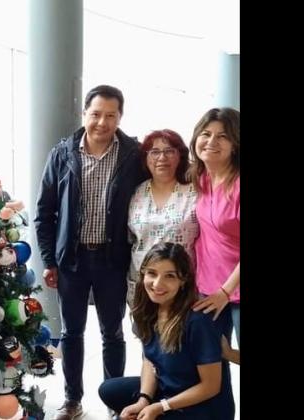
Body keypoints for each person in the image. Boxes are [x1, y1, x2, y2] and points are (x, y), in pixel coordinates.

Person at [35, 85, 145, 420]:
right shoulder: (63, 153)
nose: (102, 122)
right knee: (72, 332)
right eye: (96, 114)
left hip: (113, 259)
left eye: (111, 115)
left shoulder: (132, 155)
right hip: (73, 260)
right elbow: (45, 212)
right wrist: (49, 260)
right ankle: (72, 400)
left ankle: (115, 404)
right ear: (85, 114)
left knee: (112, 333)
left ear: (120, 117)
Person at [98, 242, 234, 420]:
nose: (157, 284)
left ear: (183, 281)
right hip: (169, 389)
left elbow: (211, 386)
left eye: (169, 276)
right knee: (109, 390)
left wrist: (161, 407)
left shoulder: (198, 321)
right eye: (152, 273)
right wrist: (144, 400)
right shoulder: (148, 310)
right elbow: (149, 361)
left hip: (202, 406)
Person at [187, 108, 240, 349]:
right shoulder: (200, 177)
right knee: (211, 364)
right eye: (206, 134)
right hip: (207, 288)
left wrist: (226, 292)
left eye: (223, 136)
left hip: (230, 289)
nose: (211, 142)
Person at [127, 129, 198, 306]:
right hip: (144, 282)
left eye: (169, 151)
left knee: (182, 331)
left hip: (180, 282)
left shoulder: (195, 191)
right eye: (155, 152)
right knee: (146, 332)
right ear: (146, 158)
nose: (162, 158)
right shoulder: (137, 192)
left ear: (180, 156)